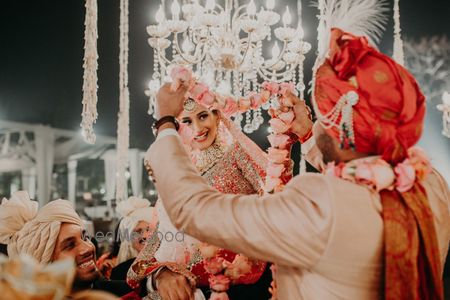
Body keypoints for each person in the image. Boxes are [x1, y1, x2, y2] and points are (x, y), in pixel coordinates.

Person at [143, 28, 450, 299]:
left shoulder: (318, 203)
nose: (317, 122)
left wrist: (166, 123)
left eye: (322, 112)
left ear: (339, 124)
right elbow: (359, 160)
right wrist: (306, 131)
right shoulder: (430, 184)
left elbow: (194, 211)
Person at [127, 101, 274, 299]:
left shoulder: (237, 153)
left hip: (238, 283)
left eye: (203, 116)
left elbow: (274, 201)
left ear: (217, 115)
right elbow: (160, 238)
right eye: (187, 121)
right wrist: (160, 272)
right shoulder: (183, 175)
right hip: (190, 287)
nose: (197, 128)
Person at [0, 191, 132, 297]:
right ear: (45, 261)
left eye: (85, 237)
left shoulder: (127, 293)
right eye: (69, 245)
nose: (87, 247)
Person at [106, 196, 158, 281]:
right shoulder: (120, 272)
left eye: (149, 230)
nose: (144, 236)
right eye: (137, 232)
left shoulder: (171, 264)